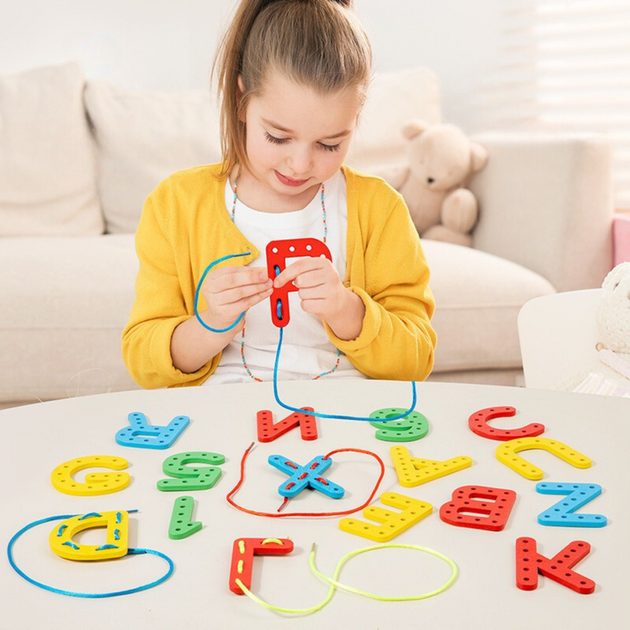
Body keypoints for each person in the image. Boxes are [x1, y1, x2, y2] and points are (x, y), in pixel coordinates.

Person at [122, 0, 436, 389]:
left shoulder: (379, 209)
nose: (300, 165)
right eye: (278, 137)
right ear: (241, 102)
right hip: (222, 409)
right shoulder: (176, 204)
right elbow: (142, 361)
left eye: (329, 144)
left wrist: (347, 310)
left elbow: (415, 360)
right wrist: (211, 324)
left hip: (349, 406)